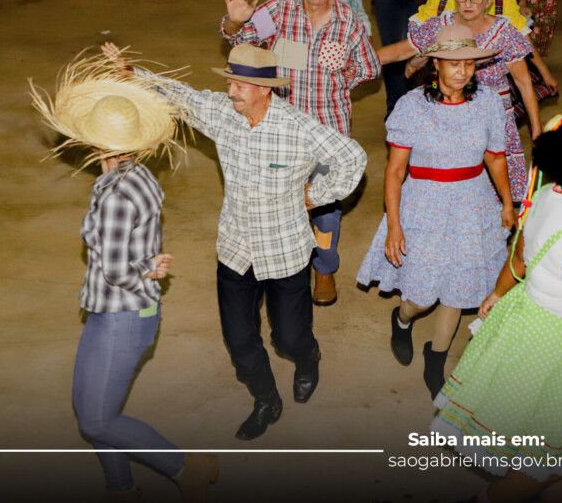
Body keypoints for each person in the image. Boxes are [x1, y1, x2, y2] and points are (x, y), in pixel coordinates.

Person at [106, 42, 367, 441]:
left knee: (288, 337)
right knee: (240, 341)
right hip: (235, 248)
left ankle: (307, 356)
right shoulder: (223, 115)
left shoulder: (297, 127)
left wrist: (316, 194)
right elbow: (183, 96)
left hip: (284, 252)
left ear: (265, 89)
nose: (232, 91)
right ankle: (266, 398)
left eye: (241, 85)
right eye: (231, 82)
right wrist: (133, 73)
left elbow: (353, 158)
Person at [29, 50, 217, 501]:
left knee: (96, 419)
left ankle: (185, 467)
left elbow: (114, 269)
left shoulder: (114, 193)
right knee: (95, 412)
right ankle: (121, 488)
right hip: (126, 313)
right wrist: (147, 268)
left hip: (120, 316)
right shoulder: (137, 174)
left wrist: (142, 271)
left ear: (97, 142)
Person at [430, 112, 562, 503]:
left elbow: (519, 258)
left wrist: (496, 294)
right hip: (561, 351)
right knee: (537, 470)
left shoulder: (547, 197)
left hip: (528, 328)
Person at [356, 24, 514, 399]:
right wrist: (394, 225)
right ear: (436, 64)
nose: (462, 71)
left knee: (459, 292)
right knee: (423, 293)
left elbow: (495, 156)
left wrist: (507, 201)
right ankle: (402, 318)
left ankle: (436, 356)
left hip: (472, 202)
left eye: (469, 64)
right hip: (424, 203)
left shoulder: (488, 102)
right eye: (453, 63)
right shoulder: (412, 107)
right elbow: (395, 171)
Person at [222, 0, 379, 306]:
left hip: (329, 131)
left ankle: (324, 269)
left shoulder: (349, 22)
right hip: (283, 130)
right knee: (278, 201)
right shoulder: (277, 11)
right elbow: (238, 38)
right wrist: (236, 18)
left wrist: (345, 69)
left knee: (325, 209)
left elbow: (370, 67)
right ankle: (280, 269)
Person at [378, 0, 558, 201]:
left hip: (495, 115)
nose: (468, 3)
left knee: (499, 189)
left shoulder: (504, 32)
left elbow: (523, 82)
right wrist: (363, 59)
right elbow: (401, 50)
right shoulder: (442, 26)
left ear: (488, 0)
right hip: (449, 113)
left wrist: (536, 128)